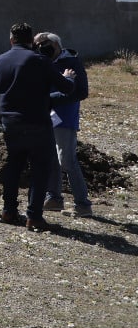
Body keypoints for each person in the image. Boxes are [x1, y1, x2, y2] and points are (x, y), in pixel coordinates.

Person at [0, 22, 75, 231]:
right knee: (40, 170)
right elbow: (66, 88)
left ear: (11, 39)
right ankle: (34, 216)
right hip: (37, 123)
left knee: (13, 167)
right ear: (31, 41)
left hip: (10, 123)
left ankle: (8, 211)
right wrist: (68, 78)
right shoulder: (40, 61)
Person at [35, 32, 93, 217]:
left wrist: (48, 99)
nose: (39, 48)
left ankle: (82, 203)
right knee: (51, 157)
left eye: (42, 44)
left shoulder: (71, 62)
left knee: (66, 160)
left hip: (64, 117)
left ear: (54, 44)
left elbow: (80, 91)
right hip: (48, 116)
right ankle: (54, 198)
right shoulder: (43, 61)